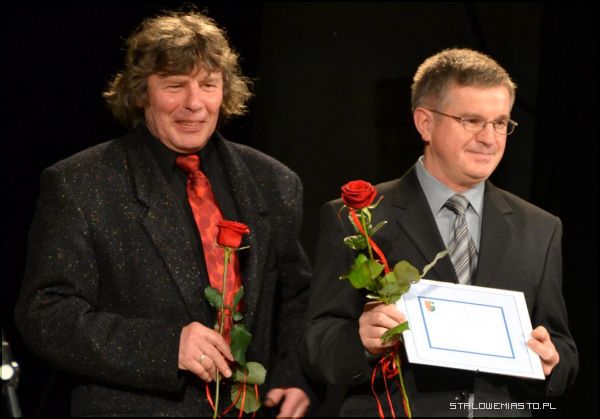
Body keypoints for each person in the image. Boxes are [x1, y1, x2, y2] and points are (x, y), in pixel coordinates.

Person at [15, 10, 312, 417]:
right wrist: (167, 346)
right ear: (141, 93)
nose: (194, 103)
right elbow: (46, 315)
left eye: (208, 85)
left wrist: (293, 374)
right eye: (174, 86)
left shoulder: (274, 182)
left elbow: (296, 298)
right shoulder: (80, 182)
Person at [300, 48, 578, 417]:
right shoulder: (357, 217)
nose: (490, 138)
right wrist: (361, 341)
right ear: (425, 123)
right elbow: (316, 343)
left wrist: (552, 360)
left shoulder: (540, 228)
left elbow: (561, 347)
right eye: (472, 121)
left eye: (500, 123)